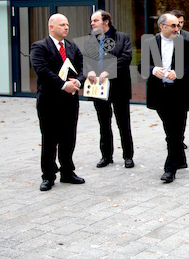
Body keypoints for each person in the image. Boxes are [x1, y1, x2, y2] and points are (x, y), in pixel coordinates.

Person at [30, 13, 85, 191]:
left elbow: (82, 67)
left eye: (67, 24)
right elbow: (42, 70)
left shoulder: (72, 47)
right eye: (62, 25)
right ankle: (48, 176)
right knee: (49, 139)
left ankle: (67, 172)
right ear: (51, 27)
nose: (66, 27)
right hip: (49, 101)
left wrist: (78, 81)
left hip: (70, 102)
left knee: (68, 138)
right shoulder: (39, 47)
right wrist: (63, 86)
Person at [142, 13, 189, 183]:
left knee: (175, 131)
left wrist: (179, 73)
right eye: (173, 26)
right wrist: (152, 70)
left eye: (178, 26)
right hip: (160, 92)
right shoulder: (149, 43)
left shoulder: (185, 44)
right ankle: (180, 159)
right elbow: (141, 66)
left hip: (179, 92)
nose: (176, 29)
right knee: (171, 130)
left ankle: (169, 169)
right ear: (162, 27)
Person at [86, 10, 135, 169]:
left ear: (105, 21)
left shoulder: (122, 37)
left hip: (118, 86)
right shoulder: (90, 40)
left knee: (123, 123)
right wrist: (90, 70)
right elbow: (85, 60)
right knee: (103, 123)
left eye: (95, 20)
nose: (92, 23)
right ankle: (106, 156)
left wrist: (108, 70)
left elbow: (126, 57)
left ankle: (128, 156)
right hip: (98, 89)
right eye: (92, 21)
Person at [169, 9, 189, 149]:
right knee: (170, 112)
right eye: (176, 22)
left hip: (184, 79)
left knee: (182, 112)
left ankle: (179, 138)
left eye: (181, 22)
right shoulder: (162, 37)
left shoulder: (188, 36)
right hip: (167, 80)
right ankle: (171, 136)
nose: (179, 25)